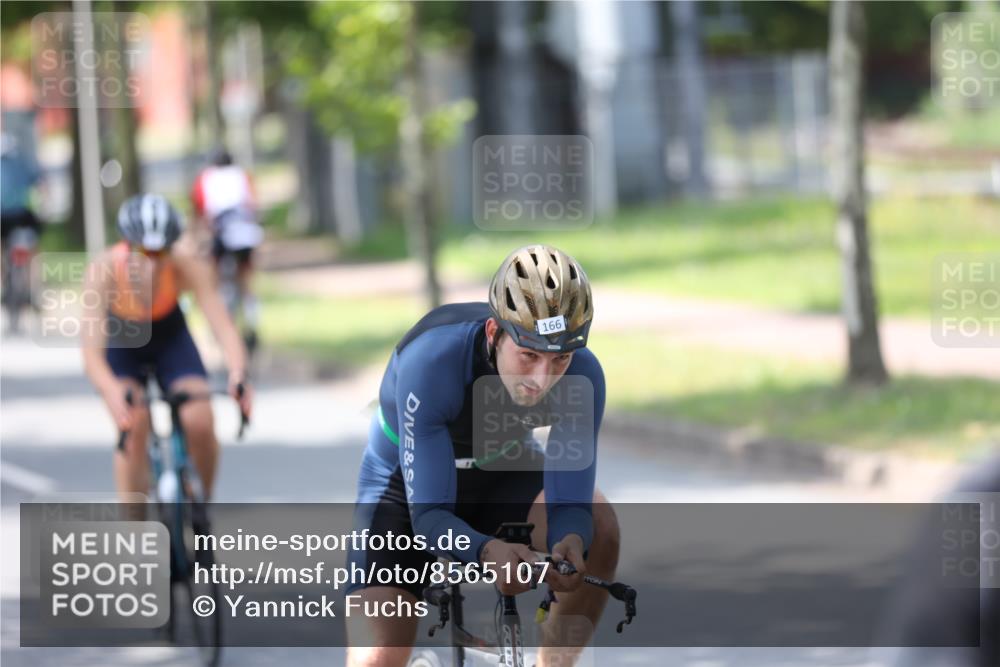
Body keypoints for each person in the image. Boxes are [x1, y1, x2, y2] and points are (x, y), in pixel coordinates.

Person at [346, 245, 619, 667]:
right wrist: (488, 552)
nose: (542, 379)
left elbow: (570, 499)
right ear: (494, 334)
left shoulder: (583, 375)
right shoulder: (433, 360)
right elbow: (430, 516)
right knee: (378, 658)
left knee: (599, 523)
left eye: (560, 358)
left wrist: (571, 539)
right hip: (405, 487)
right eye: (528, 355)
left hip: (502, 470)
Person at [81, 193, 253, 501]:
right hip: (124, 341)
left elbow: (224, 328)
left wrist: (238, 373)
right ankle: (134, 532)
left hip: (170, 335)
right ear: (126, 245)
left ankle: (201, 506)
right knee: (133, 427)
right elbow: (91, 355)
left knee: (199, 419)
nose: (151, 261)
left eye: (160, 253)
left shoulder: (187, 266)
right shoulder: (103, 271)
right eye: (141, 251)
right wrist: (111, 390)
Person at [190, 148, 263, 352]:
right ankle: (252, 321)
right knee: (247, 281)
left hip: (221, 234)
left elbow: (200, 211)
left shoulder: (206, 178)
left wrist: (198, 237)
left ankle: (215, 322)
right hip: (245, 234)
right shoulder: (243, 176)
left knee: (212, 280)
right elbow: (254, 204)